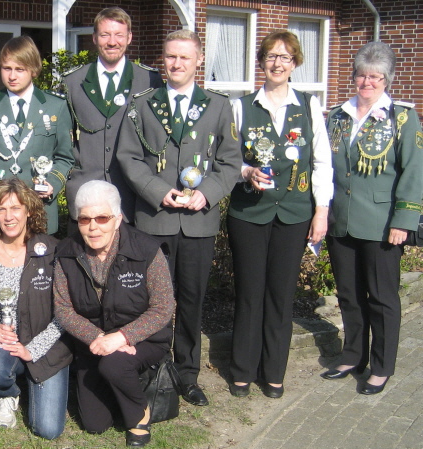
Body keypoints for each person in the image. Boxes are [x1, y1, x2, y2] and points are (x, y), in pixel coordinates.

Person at [117, 30, 241, 406]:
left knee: (191, 299)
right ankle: (153, 367)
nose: (176, 64)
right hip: (155, 218)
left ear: (199, 60)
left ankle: (187, 374)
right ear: (163, 59)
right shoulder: (143, 104)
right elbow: (128, 157)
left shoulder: (219, 106)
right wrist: (158, 191)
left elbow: (230, 162)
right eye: (171, 57)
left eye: (185, 58)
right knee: (151, 300)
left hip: (198, 221)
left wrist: (207, 193)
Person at [226, 31, 334, 399]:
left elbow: (322, 163)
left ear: (295, 64)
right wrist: (246, 172)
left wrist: (321, 212)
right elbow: (227, 159)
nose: (277, 63)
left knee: (281, 295)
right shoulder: (240, 107)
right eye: (271, 56)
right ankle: (241, 370)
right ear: (261, 61)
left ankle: (273, 372)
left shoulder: (309, 106)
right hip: (249, 214)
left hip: (294, 213)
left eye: (285, 58)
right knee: (249, 294)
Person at [321, 41, 423, 395]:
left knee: (382, 298)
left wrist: (404, 221)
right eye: (362, 76)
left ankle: (381, 366)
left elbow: (413, 172)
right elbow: (324, 169)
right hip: (341, 220)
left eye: (375, 77)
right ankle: (353, 355)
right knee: (348, 294)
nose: (367, 83)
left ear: (387, 80)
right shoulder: (336, 115)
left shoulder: (403, 118)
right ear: (354, 78)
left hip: (382, 225)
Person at [53, 180, 175, 448]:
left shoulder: (146, 250)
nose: (93, 226)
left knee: (115, 364)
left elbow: (164, 307)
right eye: (85, 219)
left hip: (144, 340)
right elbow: (63, 309)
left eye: (102, 218)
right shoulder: (65, 253)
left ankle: (139, 414)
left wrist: (123, 337)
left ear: (117, 219)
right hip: (93, 344)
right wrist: (98, 337)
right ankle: (123, 383)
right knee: (95, 424)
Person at [0, 178, 72, 440]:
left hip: (45, 346)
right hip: (1, 345)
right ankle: (8, 393)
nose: (9, 217)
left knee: (47, 430)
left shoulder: (53, 251)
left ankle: (32, 375)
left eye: (16, 208)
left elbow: (65, 315)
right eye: (1, 209)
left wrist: (31, 350)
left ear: (29, 211)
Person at [61, 7, 162, 223]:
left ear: (129, 38)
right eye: (105, 35)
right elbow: (64, 141)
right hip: (84, 194)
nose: (112, 42)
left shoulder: (149, 81)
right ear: (95, 38)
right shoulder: (73, 82)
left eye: (119, 35)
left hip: (132, 195)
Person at [0, 35, 73, 235]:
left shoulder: (55, 106)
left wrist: (52, 182)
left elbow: (65, 157)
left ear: (33, 70)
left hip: (38, 208)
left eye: (20, 69)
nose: (12, 76)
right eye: (7, 68)